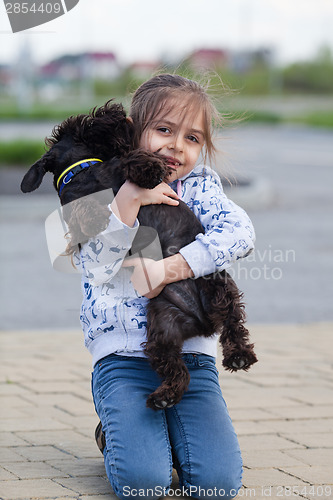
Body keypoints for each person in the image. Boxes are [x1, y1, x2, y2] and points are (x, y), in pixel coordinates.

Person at [73, 74, 255, 499]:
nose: (177, 146)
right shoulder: (95, 182)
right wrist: (130, 200)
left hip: (190, 357)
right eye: (164, 130)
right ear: (136, 128)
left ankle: (173, 432)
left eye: (192, 137)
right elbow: (92, 262)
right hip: (124, 359)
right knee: (142, 483)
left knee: (216, 485)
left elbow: (239, 232)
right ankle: (115, 430)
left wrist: (173, 268)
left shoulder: (200, 186)